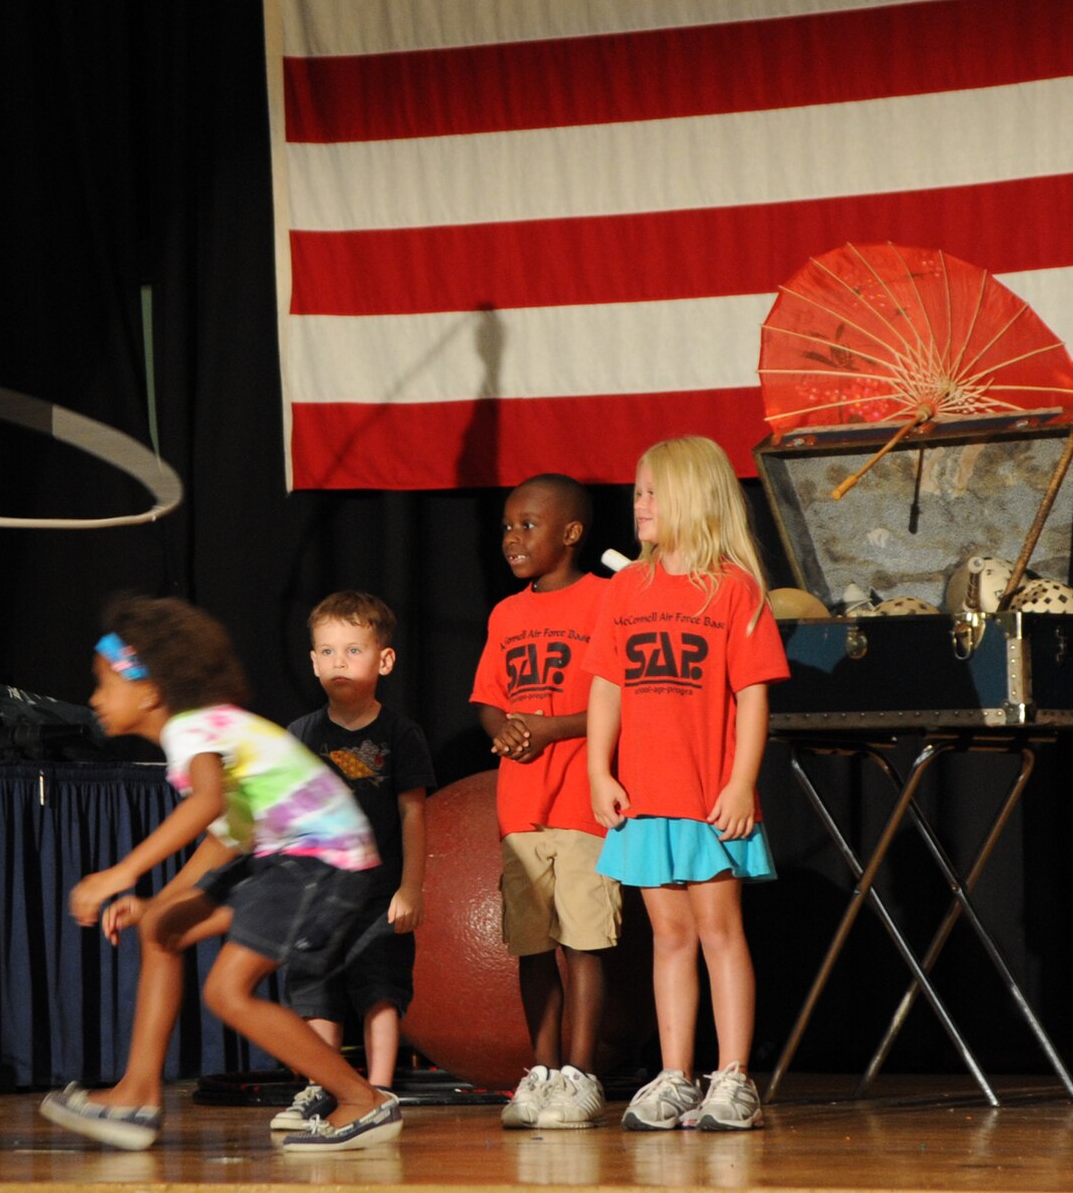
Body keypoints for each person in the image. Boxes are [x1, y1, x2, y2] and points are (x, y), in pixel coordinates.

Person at [38, 597, 400, 1154]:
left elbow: (206, 804)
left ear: (149, 690)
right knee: (162, 928)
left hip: (322, 858)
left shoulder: (190, 729)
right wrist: (163, 899)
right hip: (291, 857)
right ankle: (138, 1095)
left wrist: (120, 874)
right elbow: (227, 835)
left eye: (102, 684)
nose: (93, 699)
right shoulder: (204, 732)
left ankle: (363, 1099)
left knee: (228, 992)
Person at [585, 436, 789, 1133]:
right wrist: (598, 768)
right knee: (668, 937)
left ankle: (732, 1077)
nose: (639, 503)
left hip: (709, 797)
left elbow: (754, 697)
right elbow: (607, 685)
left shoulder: (734, 588)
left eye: (653, 492)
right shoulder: (624, 587)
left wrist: (740, 783)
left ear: (695, 499)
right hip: (645, 798)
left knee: (718, 932)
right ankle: (676, 1074)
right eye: (637, 491)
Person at [469, 474, 618, 1130]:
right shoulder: (507, 612)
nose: (511, 538)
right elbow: (487, 696)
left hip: (585, 803)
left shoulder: (607, 601)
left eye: (527, 525)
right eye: (507, 525)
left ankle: (581, 1075)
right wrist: (502, 727)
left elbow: (621, 699)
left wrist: (553, 728)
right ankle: (543, 1068)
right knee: (533, 946)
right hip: (521, 807)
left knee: (585, 942)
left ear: (571, 533)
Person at [272, 591, 432, 1131]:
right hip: (316, 898)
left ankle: (380, 1092)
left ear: (383, 660)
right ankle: (323, 1087)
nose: (339, 662)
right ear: (313, 660)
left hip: (379, 894)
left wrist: (410, 888)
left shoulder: (400, 735)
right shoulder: (301, 734)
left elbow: (413, 816)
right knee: (315, 991)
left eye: (353, 650)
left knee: (379, 989)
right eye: (328, 651)